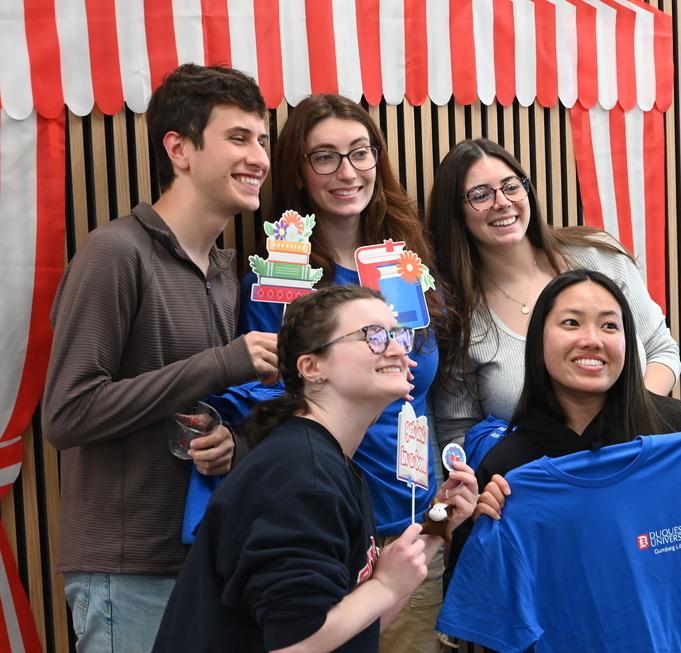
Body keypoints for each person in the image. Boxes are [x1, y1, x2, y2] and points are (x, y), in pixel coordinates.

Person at [41, 63, 280, 652]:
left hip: (210, 562)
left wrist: (232, 443)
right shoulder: (114, 253)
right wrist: (224, 362)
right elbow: (67, 414)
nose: (258, 158)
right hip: (128, 574)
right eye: (239, 138)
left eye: (262, 140)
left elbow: (217, 402)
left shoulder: (225, 274)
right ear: (179, 149)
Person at [439, 270, 681, 651]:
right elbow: (482, 618)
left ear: (628, 341)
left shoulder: (680, 432)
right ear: (538, 340)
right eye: (571, 323)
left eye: (609, 325)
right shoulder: (510, 468)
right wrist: (469, 528)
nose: (592, 339)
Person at [226, 93, 448, 653]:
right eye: (324, 157)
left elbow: (430, 393)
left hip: (415, 530)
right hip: (329, 529)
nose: (348, 172)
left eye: (360, 152)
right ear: (298, 174)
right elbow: (264, 398)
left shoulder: (408, 268)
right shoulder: (281, 278)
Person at [152, 285, 479, 652]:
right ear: (312, 367)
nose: (396, 349)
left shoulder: (326, 462)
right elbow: (296, 645)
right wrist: (386, 585)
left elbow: (348, 629)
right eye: (373, 336)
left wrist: (437, 526)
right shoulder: (301, 476)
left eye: (399, 335)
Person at [424, 138, 681, 451]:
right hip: (534, 478)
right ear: (456, 213)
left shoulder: (598, 255)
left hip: (636, 456)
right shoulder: (457, 315)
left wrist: (628, 426)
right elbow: (457, 432)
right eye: (481, 195)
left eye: (511, 186)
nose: (502, 202)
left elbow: (661, 350)